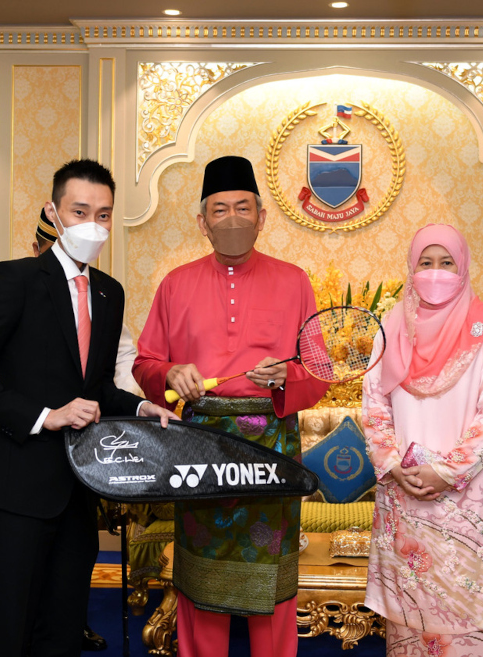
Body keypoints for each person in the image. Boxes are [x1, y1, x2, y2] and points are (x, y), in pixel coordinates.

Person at [0, 159, 177, 657]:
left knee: (65, 625)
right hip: (22, 482)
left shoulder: (109, 292)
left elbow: (97, 389)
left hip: (82, 486)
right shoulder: (16, 278)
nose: (93, 225)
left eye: (104, 214)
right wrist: (44, 416)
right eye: (80, 211)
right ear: (54, 211)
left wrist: (142, 408)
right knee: (10, 626)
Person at [132, 155, 328, 657]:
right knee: (201, 580)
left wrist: (286, 376)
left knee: (272, 583)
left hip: (270, 447)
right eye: (220, 210)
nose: (233, 218)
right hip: (200, 446)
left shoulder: (294, 280)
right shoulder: (175, 283)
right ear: (202, 222)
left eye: (244, 207)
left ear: (262, 217)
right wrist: (169, 374)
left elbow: (318, 372)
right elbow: (146, 362)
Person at [361, 224, 483, 657]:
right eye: (425, 263)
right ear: (411, 269)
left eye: (446, 262)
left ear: (463, 266)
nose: (435, 273)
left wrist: (447, 471)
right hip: (405, 488)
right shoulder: (391, 326)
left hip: (472, 493)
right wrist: (392, 464)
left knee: (471, 615)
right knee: (411, 621)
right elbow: (374, 403)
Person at [33, 207, 142, 396]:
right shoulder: (20, 288)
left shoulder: (104, 292)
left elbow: (122, 354)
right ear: (37, 251)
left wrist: (129, 399)